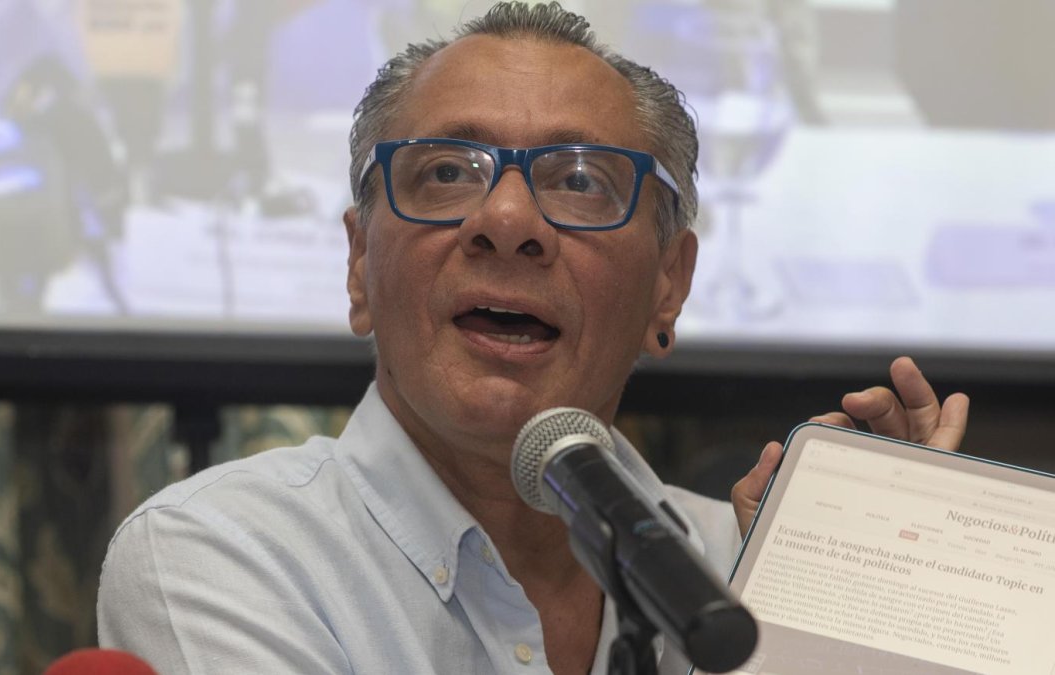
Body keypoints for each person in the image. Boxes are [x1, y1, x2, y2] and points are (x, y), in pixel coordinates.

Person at [96, 3, 969, 673]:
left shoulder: (739, 571)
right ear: (361, 265)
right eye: (446, 172)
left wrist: (862, 622)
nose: (507, 221)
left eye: (580, 180)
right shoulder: (220, 554)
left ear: (670, 283)